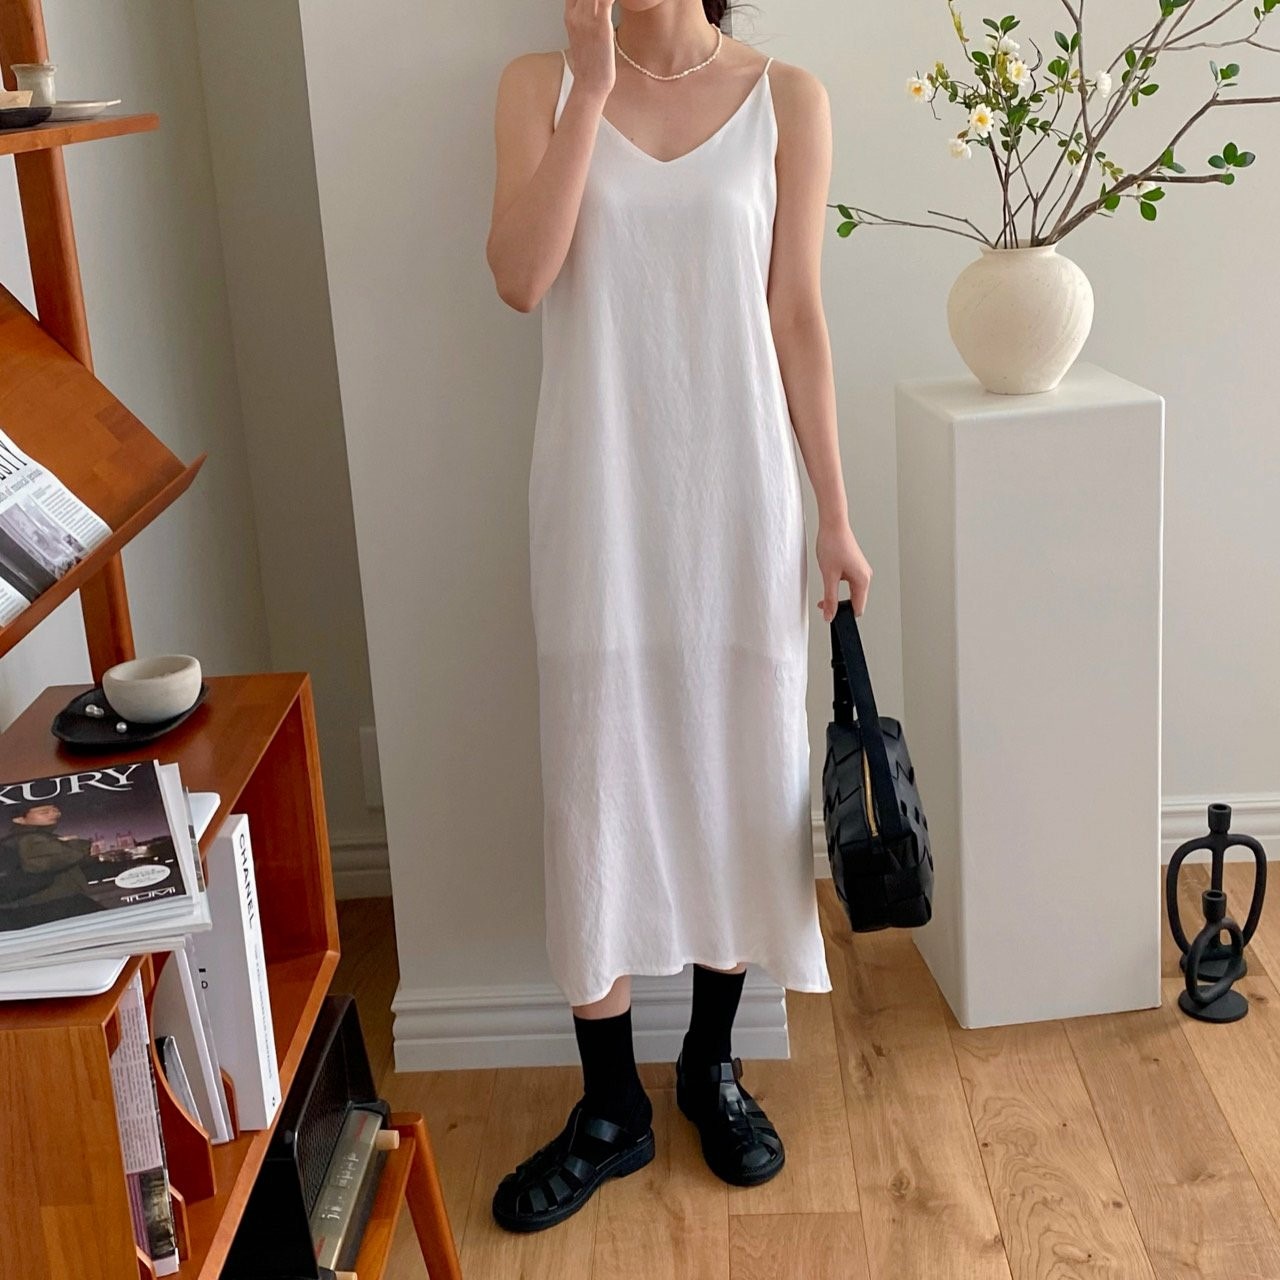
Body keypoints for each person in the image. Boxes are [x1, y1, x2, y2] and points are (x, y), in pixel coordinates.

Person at [486, 0, 871, 1232]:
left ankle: (710, 1064)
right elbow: (518, 279)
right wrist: (591, 89)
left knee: (737, 776)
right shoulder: (538, 85)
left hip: (738, 504)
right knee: (590, 786)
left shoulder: (786, 97)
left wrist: (833, 513)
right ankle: (609, 1105)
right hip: (597, 507)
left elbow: (795, 314)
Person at [0, 802, 102, 931]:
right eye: (44, 812)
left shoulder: (37, 837)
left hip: (43, 904)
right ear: (19, 819)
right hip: (52, 905)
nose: (54, 814)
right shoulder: (28, 839)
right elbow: (53, 860)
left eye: (55, 810)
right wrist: (75, 844)